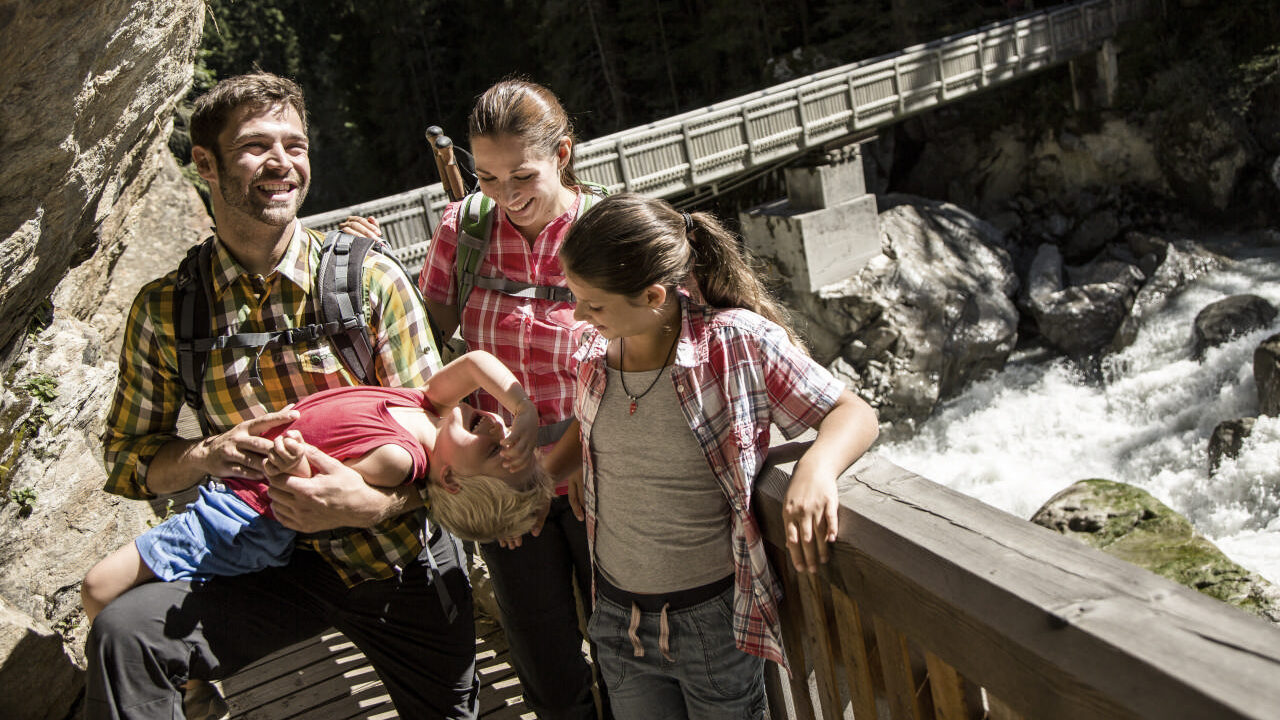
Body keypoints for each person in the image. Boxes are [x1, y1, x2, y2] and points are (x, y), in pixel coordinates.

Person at [87, 72, 478, 719]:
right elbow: (128, 459)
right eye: (256, 146)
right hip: (264, 565)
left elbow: (446, 447)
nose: (282, 164)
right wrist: (206, 454)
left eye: (294, 145)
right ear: (204, 165)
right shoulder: (167, 312)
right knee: (125, 635)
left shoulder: (369, 282)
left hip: (393, 557)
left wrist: (372, 504)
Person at [555, 193, 880, 719]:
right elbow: (608, 434)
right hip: (616, 615)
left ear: (654, 295)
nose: (577, 314)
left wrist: (817, 469)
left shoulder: (735, 344)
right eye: (574, 296)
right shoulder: (594, 355)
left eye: (593, 304)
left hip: (710, 620)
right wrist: (586, 467)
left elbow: (853, 412)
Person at [342, 79, 607, 720]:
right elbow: (421, 341)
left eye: (523, 175)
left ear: (563, 153)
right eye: (485, 177)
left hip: (602, 478)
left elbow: (636, 369)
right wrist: (368, 265)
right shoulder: (464, 230)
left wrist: (550, 476)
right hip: (505, 495)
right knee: (545, 660)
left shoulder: (605, 231)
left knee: (630, 654)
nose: (507, 195)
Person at [82, 349, 554, 622]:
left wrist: (291, 460)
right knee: (153, 598)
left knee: (99, 588)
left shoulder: (398, 457)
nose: (497, 427)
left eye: (494, 451)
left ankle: (188, 687)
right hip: (240, 498)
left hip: (243, 517)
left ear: (449, 479)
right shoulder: (430, 407)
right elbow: (474, 363)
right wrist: (522, 405)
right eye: (511, 435)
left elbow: (320, 491)